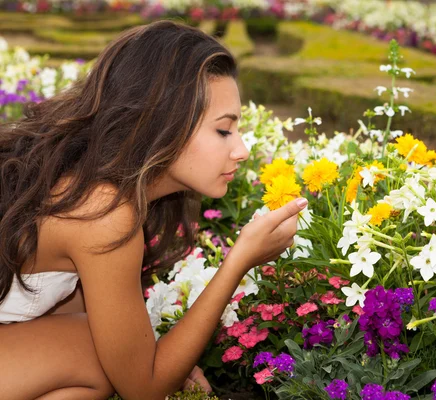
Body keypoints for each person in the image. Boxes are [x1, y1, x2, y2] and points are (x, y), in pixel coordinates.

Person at [0, 20, 307, 400]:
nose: (241, 149)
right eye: (224, 130)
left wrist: (165, 356)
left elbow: (71, 314)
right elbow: (143, 388)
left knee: (93, 354)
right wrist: (238, 260)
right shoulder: (102, 212)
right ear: (165, 124)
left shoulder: (89, 181)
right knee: (93, 358)